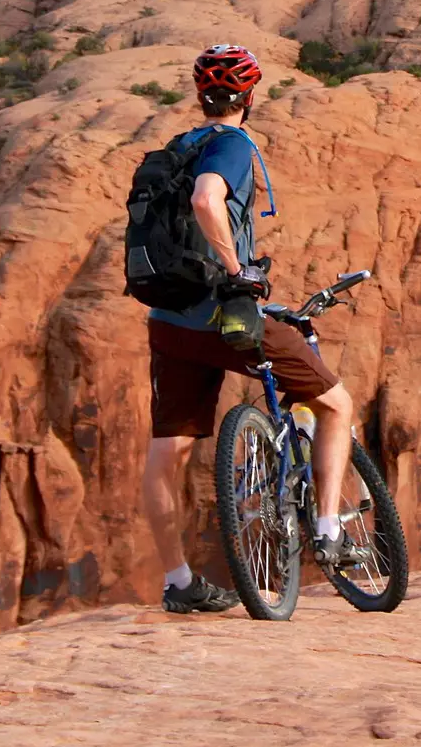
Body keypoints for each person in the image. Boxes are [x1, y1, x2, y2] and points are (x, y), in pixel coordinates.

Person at [142, 43, 358, 613]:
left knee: (169, 452)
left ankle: (179, 582)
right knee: (336, 404)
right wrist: (237, 273)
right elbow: (207, 199)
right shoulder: (231, 144)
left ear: (199, 95)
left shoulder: (176, 147)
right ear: (250, 97)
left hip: (169, 318)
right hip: (224, 312)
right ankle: (331, 529)